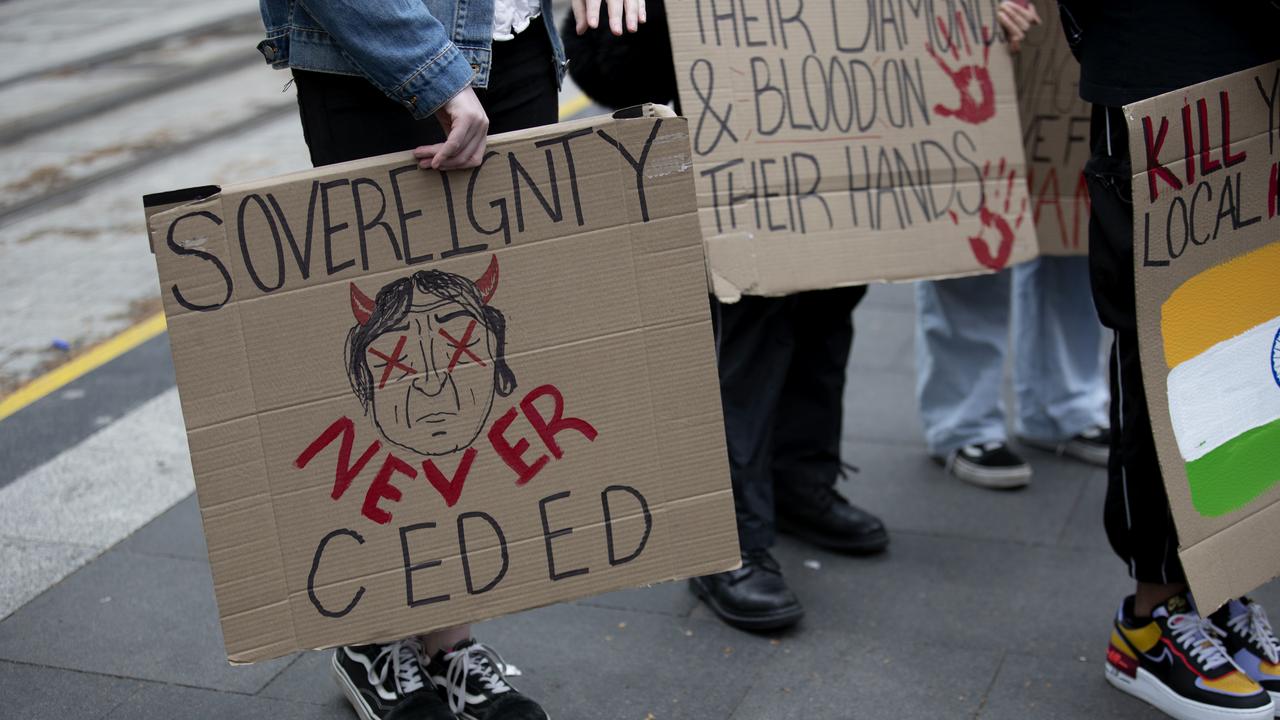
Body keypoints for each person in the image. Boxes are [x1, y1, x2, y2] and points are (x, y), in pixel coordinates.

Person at [253, 0, 645, 718]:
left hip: (517, 38)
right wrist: (433, 75)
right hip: (379, 48)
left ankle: (446, 641)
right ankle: (376, 633)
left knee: (485, 369)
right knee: (395, 348)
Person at [561, 1, 888, 632]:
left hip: (822, 73)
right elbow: (605, 65)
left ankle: (798, 479)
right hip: (707, 67)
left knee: (830, 288)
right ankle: (726, 537)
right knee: (746, 315)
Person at [1059, 1, 1280, 718]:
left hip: (1250, 69)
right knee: (1164, 350)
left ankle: (1220, 583)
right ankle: (1150, 620)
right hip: (1160, 76)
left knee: (1248, 346)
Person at [915, 1, 1110, 491]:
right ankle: (964, 420)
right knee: (973, 225)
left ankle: (1063, 406)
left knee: (1071, 223)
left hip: (1079, 34)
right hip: (974, 32)